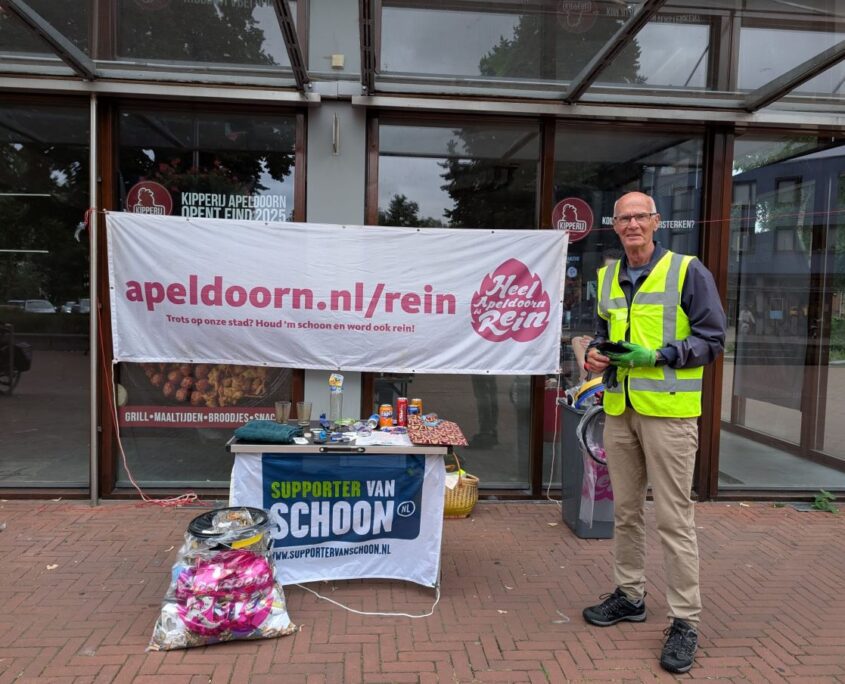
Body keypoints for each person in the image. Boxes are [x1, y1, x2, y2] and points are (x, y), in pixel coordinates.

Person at [582, 191, 726, 674]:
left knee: (673, 518)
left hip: (669, 412)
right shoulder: (606, 276)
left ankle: (686, 620)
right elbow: (601, 335)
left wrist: (658, 356)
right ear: (615, 226)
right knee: (624, 512)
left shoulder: (688, 271)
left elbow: (712, 339)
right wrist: (594, 357)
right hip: (620, 409)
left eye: (640, 216)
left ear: (656, 222)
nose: (632, 225)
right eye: (624, 218)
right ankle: (630, 595)